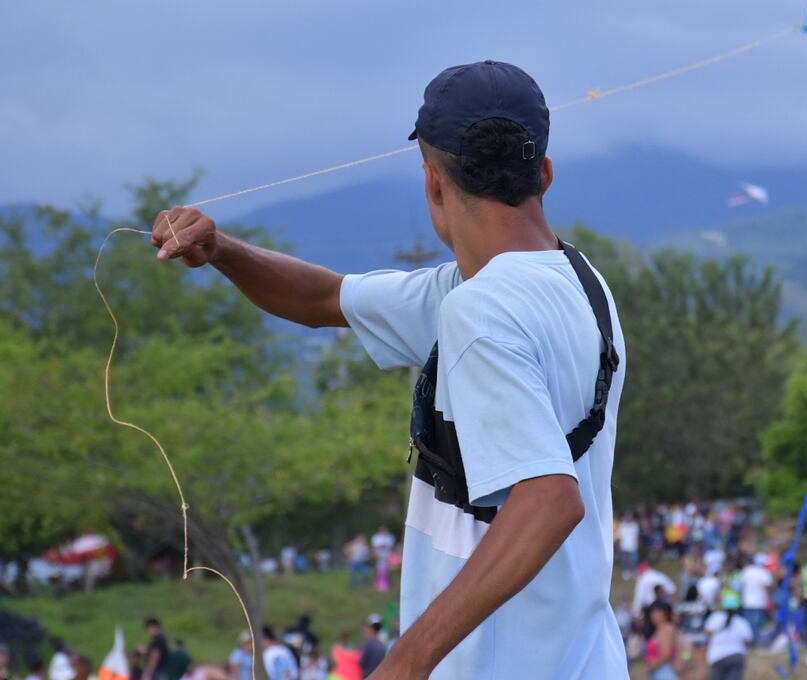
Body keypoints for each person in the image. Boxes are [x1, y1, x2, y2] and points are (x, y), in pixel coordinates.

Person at [151, 60, 628, 679]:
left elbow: (548, 501)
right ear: (544, 173)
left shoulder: (479, 309)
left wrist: (405, 662)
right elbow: (324, 299)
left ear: (432, 183)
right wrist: (221, 250)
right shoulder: (582, 286)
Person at [705, 597, 753, 680]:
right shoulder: (742, 622)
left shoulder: (715, 618)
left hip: (717, 657)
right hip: (737, 656)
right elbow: (747, 642)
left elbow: (707, 634)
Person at [740, 554, 774, 643]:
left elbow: (741, 585)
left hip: (747, 602)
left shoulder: (746, 571)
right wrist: (770, 600)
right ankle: (754, 643)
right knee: (756, 625)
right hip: (759, 602)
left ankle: (748, 643)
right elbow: (768, 587)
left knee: (747, 624)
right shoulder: (764, 573)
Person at [645, 604, 679, 680]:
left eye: (655, 613)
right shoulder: (659, 630)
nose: (652, 615)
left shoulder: (666, 630)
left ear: (664, 614)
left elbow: (666, 654)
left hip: (664, 672)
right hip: (658, 672)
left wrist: (653, 666)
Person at [370, 526, 395, 594]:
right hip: (379, 556)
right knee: (379, 570)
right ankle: (378, 584)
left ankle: (386, 585)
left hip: (387, 556)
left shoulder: (390, 537)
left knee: (386, 571)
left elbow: (391, 547)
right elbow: (374, 546)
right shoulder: (376, 537)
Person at [618, 514, 642, 580]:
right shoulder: (622, 525)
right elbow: (620, 536)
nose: (628, 519)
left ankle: (634, 571)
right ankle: (626, 571)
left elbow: (636, 536)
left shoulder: (635, 526)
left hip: (633, 546)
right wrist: (619, 545)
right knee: (624, 560)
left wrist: (637, 544)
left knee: (633, 559)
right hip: (624, 545)